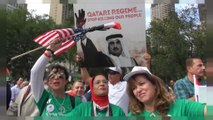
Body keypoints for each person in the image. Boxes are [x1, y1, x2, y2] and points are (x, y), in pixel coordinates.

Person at [124, 66, 206, 117]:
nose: (138, 90)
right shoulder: (133, 116)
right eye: (134, 88)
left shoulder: (182, 107)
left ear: (154, 84)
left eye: (141, 84)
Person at [30, 39, 82, 116]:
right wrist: (49, 50)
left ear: (66, 81)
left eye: (60, 76)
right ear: (47, 82)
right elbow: (35, 72)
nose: (56, 78)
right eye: (52, 76)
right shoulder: (42, 97)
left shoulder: (76, 101)